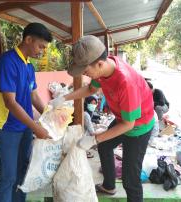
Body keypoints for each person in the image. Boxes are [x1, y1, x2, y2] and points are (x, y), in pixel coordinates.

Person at [50, 35, 155, 202]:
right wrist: (64, 98)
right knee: (105, 146)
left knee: (130, 179)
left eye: (85, 71)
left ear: (99, 64)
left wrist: (94, 138)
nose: (85, 75)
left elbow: (129, 125)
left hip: (138, 126)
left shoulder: (126, 83)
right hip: (123, 118)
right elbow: (91, 89)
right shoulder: (103, 70)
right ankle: (109, 186)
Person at [0, 22, 52, 202]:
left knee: (23, 172)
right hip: (5, 126)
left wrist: (51, 116)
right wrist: (36, 127)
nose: (42, 51)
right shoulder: (7, 62)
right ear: (28, 39)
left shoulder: (29, 66)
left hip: (23, 127)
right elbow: (10, 102)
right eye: (40, 46)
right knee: (8, 176)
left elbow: (34, 97)